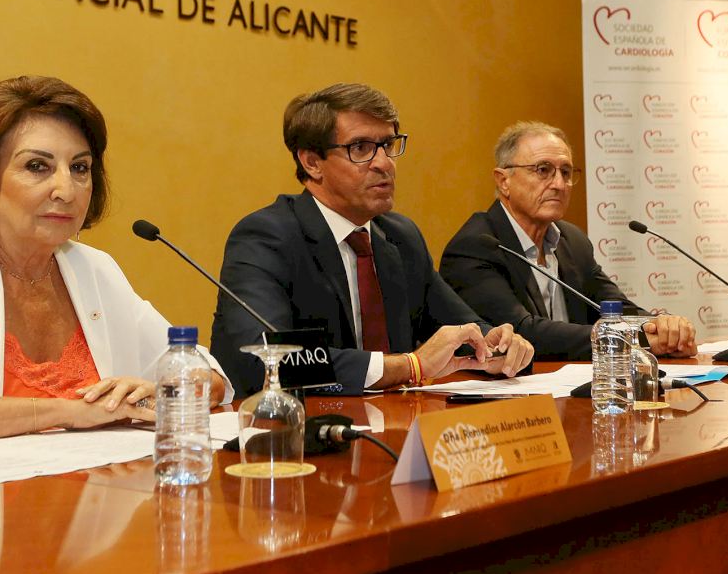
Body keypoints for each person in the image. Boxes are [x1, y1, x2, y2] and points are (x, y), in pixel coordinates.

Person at [0, 76, 232, 448]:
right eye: (37, 166)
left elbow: (208, 374)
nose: (66, 190)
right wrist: (65, 412)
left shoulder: (96, 271)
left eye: (79, 168)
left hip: (97, 486)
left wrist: (165, 392)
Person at [209, 83, 533, 395]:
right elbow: (266, 358)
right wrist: (410, 366)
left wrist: (496, 345)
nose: (384, 163)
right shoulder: (266, 237)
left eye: (388, 145)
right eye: (360, 148)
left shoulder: (400, 237)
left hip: (392, 421)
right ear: (312, 162)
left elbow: (460, 327)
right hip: (289, 427)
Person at [439, 121, 697, 359]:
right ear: (504, 181)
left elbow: (615, 309)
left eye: (566, 172)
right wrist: (635, 340)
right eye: (543, 170)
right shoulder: (477, 245)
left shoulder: (572, 241)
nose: (559, 184)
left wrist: (661, 327)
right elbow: (520, 332)